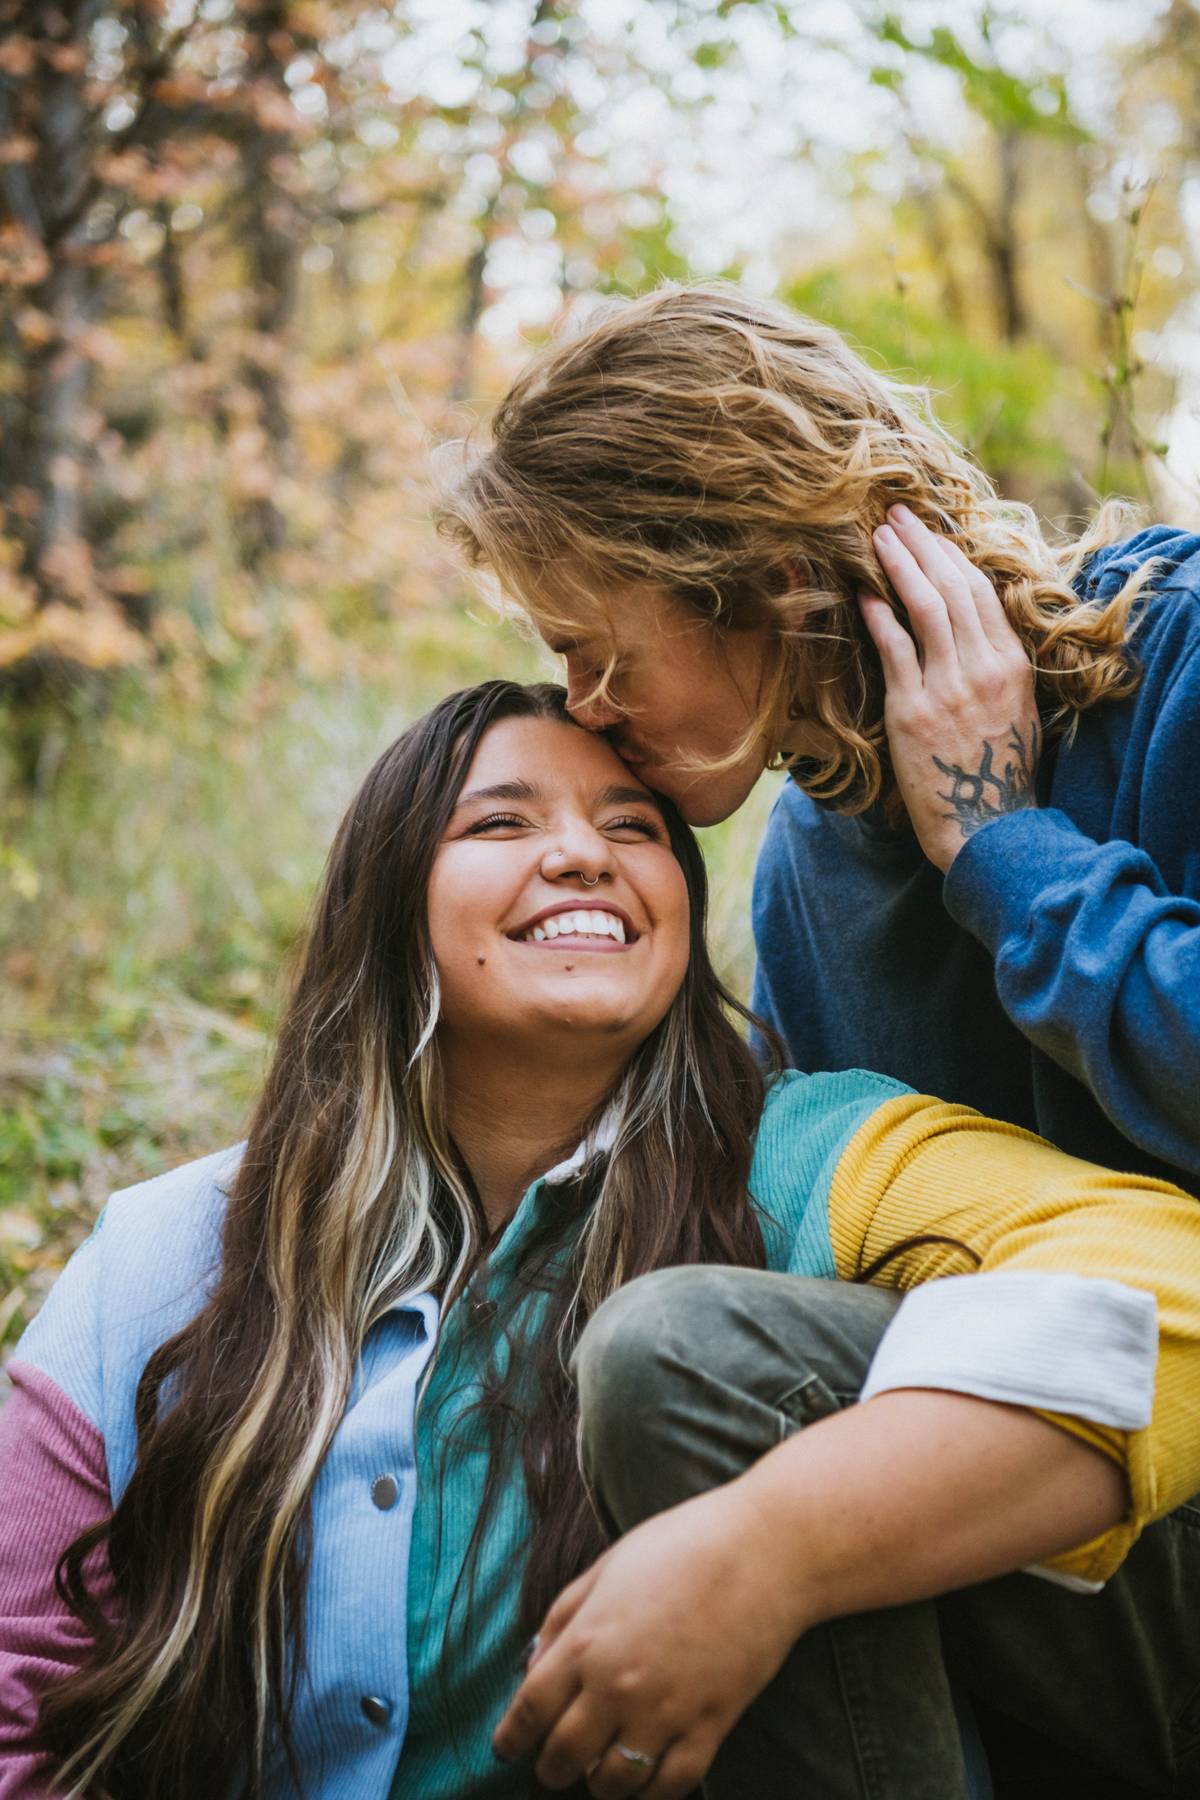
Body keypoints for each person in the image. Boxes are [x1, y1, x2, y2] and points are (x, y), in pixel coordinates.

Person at [1, 682, 1199, 1800]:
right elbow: (25, 1690)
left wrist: (774, 1545)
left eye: (633, 829)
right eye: (500, 823)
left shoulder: (803, 1158)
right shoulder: (167, 1255)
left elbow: (1168, 1283)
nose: (581, 853)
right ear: (385, 899)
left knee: (682, 1343)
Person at [436, 282, 1200, 1792]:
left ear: (759, 570)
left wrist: (1003, 850)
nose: (585, 707)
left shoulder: (1175, 661)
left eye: (601, 647)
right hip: (1053, 1556)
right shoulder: (803, 874)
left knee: (688, 1356)